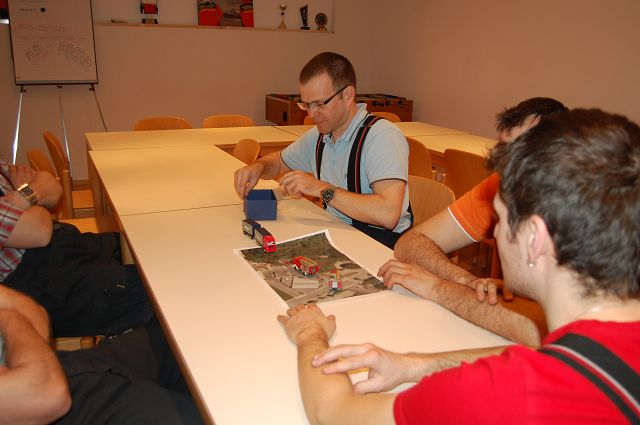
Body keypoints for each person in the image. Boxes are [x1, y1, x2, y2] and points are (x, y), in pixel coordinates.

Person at [278, 108, 640, 424]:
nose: (494, 232)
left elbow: (334, 413)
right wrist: (416, 364)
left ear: (534, 238)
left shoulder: (509, 394)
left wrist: (311, 335)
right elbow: (539, 351)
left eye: (500, 219)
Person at [377, 98, 567, 345]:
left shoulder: (574, 212)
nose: (507, 168)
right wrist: (466, 281)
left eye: (522, 156)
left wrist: (438, 287)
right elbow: (410, 243)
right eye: (504, 151)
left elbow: (545, 329)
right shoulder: (499, 186)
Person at [234, 52, 411, 248]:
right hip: (338, 234)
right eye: (307, 105)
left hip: (380, 246)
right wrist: (258, 167)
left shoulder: (381, 136)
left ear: (348, 95)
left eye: (319, 104)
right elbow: (278, 162)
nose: (312, 114)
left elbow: (388, 215)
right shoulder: (320, 135)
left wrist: (320, 188)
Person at [0, 285, 204, 424]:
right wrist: (11, 317)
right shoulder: (10, 317)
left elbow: (31, 309)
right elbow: (45, 396)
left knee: (190, 336)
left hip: (55, 366)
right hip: (48, 406)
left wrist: (35, 364)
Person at [0, 158, 153, 337]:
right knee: (157, 289)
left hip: (65, 245)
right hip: (44, 284)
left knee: (149, 243)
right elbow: (39, 231)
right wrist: (30, 196)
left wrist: (23, 199)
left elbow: (52, 186)